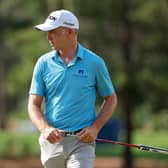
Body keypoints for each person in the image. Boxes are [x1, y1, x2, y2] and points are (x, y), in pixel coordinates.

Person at [28, 9, 117, 168]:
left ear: (69, 32)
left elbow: (111, 98)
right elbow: (33, 104)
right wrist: (44, 128)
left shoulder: (94, 63)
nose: (49, 37)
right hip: (51, 142)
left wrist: (95, 127)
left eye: (53, 32)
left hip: (82, 143)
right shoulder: (43, 63)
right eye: (47, 32)